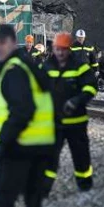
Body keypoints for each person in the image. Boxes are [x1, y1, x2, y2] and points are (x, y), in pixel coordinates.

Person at [0, 24, 56, 207]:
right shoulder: (31, 66)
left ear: (13, 42)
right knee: (33, 206)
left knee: (1, 200)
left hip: (19, 148)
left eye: (2, 42)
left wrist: (3, 143)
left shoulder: (14, 71)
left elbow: (23, 110)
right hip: (42, 147)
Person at [42, 32, 97, 194]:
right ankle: (44, 189)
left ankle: (85, 186)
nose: (60, 53)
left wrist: (77, 101)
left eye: (63, 49)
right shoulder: (46, 66)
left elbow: (91, 87)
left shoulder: (80, 66)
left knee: (81, 157)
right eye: (58, 49)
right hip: (53, 123)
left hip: (76, 122)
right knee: (48, 158)